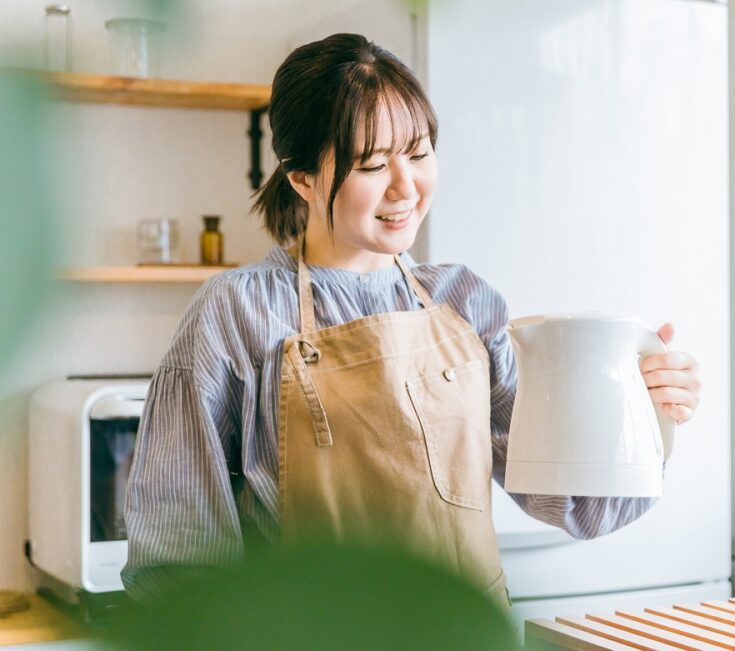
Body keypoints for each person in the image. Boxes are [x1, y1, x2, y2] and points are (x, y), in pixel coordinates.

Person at [122, 33, 702, 605]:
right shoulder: (236, 312)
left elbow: (578, 504)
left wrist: (646, 416)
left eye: (420, 154)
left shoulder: (464, 301)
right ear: (302, 179)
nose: (406, 188)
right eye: (373, 164)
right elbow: (180, 563)